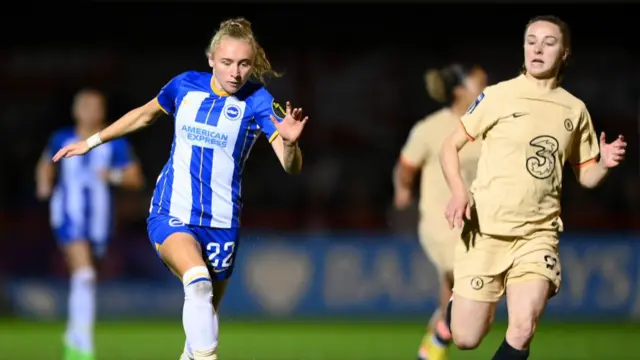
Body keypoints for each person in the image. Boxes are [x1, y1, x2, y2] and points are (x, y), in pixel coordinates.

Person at [52, 18, 307, 360]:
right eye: (227, 62)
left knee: (203, 320)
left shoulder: (259, 101)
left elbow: (291, 167)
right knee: (198, 282)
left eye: (244, 64)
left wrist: (290, 145)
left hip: (221, 224)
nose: (235, 72)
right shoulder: (185, 86)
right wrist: (92, 142)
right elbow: (144, 115)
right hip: (172, 212)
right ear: (211, 59)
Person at [439, 15, 627, 360]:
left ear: (565, 53)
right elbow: (449, 146)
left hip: (537, 235)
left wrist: (604, 164)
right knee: (465, 338)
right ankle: (462, 305)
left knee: (523, 328)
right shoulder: (497, 96)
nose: (537, 48)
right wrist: (459, 190)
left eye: (548, 42)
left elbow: (585, 176)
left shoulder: (575, 109)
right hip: (485, 232)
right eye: (531, 40)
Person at [36, 88, 145, 360]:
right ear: (75, 110)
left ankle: (73, 335)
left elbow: (136, 178)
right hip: (68, 212)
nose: (89, 111)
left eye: (94, 106)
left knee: (85, 276)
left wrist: (113, 176)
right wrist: (44, 184)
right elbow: (46, 163)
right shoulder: (61, 137)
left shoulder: (113, 141)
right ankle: (82, 347)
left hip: (100, 220)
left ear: (103, 111)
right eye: (84, 105)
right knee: (84, 274)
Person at [393, 63, 487, 360]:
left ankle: (434, 341)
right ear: (460, 90)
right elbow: (406, 167)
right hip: (442, 224)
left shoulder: (490, 127)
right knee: (473, 291)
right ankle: (438, 337)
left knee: (459, 295)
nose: (489, 89)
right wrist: (403, 188)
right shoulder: (431, 128)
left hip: (478, 225)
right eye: (481, 84)